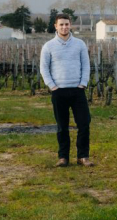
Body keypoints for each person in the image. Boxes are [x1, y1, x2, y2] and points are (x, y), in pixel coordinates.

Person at [39, 13, 93, 167]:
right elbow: (44, 68)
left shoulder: (80, 44)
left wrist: (83, 83)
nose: (64, 27)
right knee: (62, 126)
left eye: (66, 24)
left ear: (70, 25)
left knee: (84, 124)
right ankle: (63, 157)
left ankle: (83, 156)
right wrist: (52, 86)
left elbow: (86, 65)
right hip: (59, 91)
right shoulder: (48, 46)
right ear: (55, 26)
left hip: (77, 90)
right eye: (61, 24)